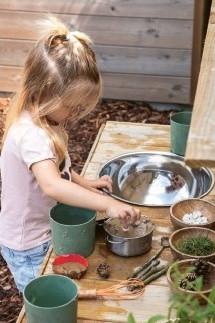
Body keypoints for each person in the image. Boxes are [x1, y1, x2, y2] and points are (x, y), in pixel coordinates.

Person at [0, 16, 140, 293]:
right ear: (44, 92)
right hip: (28, 243)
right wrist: (107, 205)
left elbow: (56, 169)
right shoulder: (32, 135)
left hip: (45, 229)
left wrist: (82, 183)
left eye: (81, 108)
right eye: (72, 107)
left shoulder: (47, 118)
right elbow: (51, 184)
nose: (76, 115)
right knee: (46, 298)